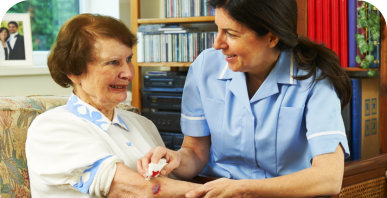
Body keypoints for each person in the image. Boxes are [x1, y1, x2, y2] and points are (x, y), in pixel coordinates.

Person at [138, 0, 352, 197]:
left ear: (271, 37)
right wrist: (176, 159)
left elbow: (329, 177)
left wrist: (242, 189)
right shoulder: (205, 68)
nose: (217, 43)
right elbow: (196, 152)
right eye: (217, 29)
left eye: (230, 33)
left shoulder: (313, 79)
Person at [25, 13, 201, 197]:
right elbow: (141, 190)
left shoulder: (142, 124)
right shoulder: (52, 129)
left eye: (128, 60)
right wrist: (227, 192)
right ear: (74, 71)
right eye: (113, 62)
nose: (128, 73)